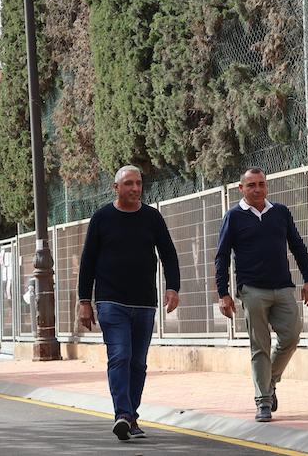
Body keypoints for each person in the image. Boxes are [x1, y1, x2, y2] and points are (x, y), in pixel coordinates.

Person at [77, 165, 180, 440]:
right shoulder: (102, 218)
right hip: (111, 302)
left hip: (145, 303)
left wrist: (173, 288)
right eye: (128, 184)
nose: (135, 188)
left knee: (138, 363)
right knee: (120, 356)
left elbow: (169, 254)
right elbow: (88, 261)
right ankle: (122, 414)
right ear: (116, 188)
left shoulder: (152, 218)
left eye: (138, 183)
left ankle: (131, 416)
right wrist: (84, 300)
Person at [215, 167, 308, 422]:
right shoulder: (234, 217)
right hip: (252, 290)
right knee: (259, 346)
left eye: (261, 184)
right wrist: (223, 294)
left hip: (283, 287)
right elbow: (221, 256)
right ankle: (263, 401)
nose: (257, 189)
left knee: (291, 336)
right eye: (251, 185)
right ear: (241, 188)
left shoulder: (280, 212)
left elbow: (298, 246)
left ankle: (269, 382)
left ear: (267, 186)